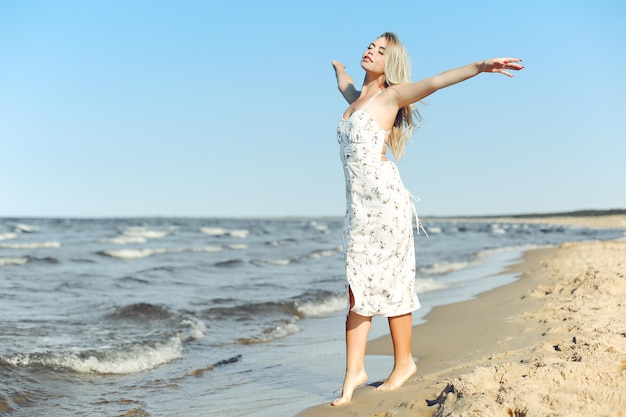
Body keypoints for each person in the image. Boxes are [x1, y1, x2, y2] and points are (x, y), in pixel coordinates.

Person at [331, 32, 523, 406]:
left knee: (391, 281)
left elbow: (437, 82)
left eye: (381, 50)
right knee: (358, 284)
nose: (371, 50)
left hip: (385, 204)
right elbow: (346, 84)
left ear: (391, 63)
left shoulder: (391, 96)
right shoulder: (356, 99)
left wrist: (480, 67)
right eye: (371, 45)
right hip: (358, 208)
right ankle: (355, 370)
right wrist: (338, 67)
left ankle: (403, 364)